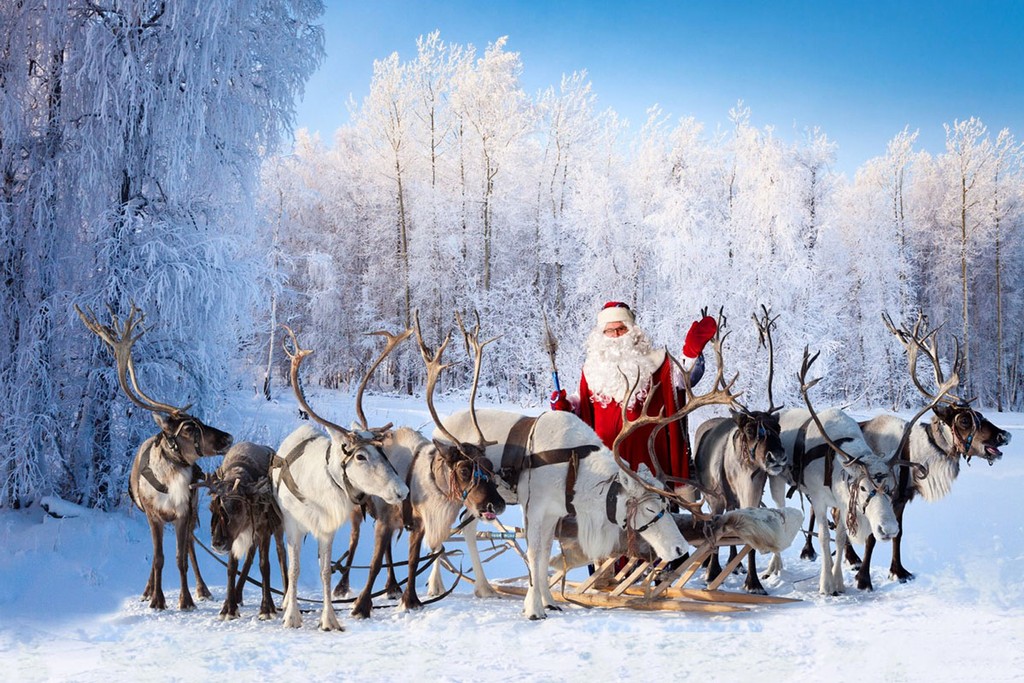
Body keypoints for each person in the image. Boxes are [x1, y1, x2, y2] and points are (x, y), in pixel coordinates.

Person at [550, 301, 717, 484]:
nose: (615, 336)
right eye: (609, 330)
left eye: (621, 329)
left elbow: (684, 378)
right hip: (604, 463)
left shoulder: (657, 363)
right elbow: (582, 402)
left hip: (650, 462)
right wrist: (566, 404)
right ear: (601, 335)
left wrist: (691, 352)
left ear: (632, 331)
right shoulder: (592, 369)